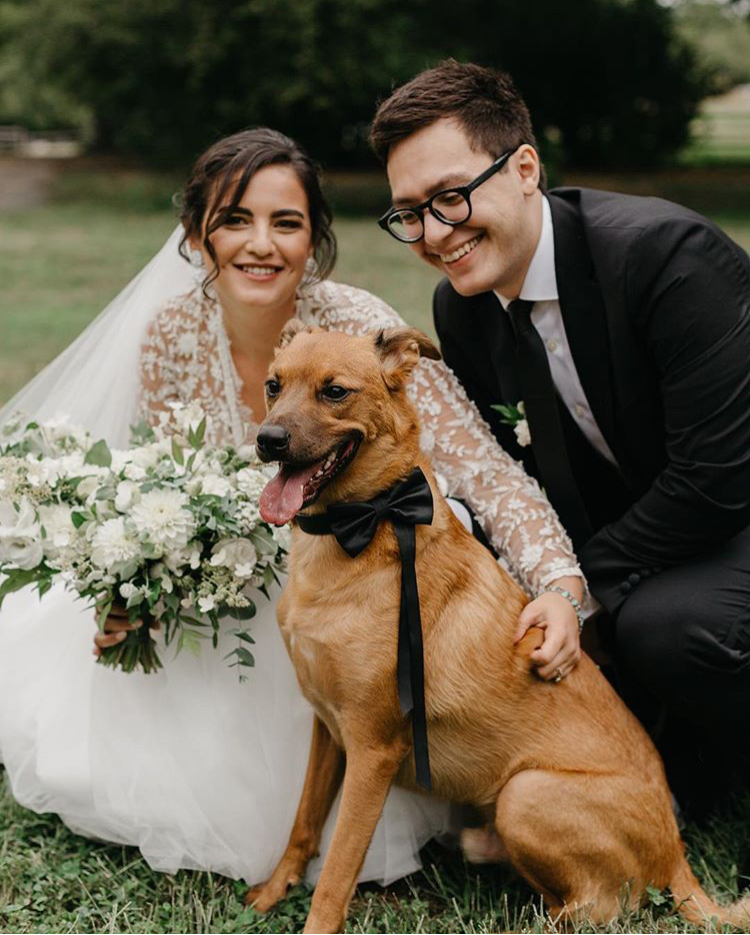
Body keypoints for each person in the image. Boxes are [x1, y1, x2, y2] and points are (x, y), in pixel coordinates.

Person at [0, 127, 585, 885]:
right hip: (235, 595)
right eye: (234, 219)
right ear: (195, 233)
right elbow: (160, 494)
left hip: (366, 579)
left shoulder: (357, 328)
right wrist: (135, 590)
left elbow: (487, 471)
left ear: (315, 241)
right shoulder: (170, 337)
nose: (260, 244)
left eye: (287, 222)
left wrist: (561, 584)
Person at [370, 60, 750, 811]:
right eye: (410, 212)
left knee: (666, 627)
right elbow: (511, 474)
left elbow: (720, 477)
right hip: (653, 534)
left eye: (450, 196)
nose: (433, 232)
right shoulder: (464, 309)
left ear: (524, 169)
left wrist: (577, 586)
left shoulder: (666, 256)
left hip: (733, 516)